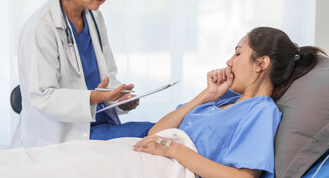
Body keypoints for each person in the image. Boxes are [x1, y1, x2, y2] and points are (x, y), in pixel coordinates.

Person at [11, 0, 154, 148]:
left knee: (166, 131)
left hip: (99, 126)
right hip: (64, 136)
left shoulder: (95, 19)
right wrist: (94, 97)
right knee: (156, 134)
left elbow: (108, 79)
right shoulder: (40, 28)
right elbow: (43, 98)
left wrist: (120, 98)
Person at [133, 27, 327, 178]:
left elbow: (242, 176)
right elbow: (155, 133)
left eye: (237, 54)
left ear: (261, 63)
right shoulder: (221, 101)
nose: (228, 62)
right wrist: (207, 95)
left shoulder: (261, 110)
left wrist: (173, 149)